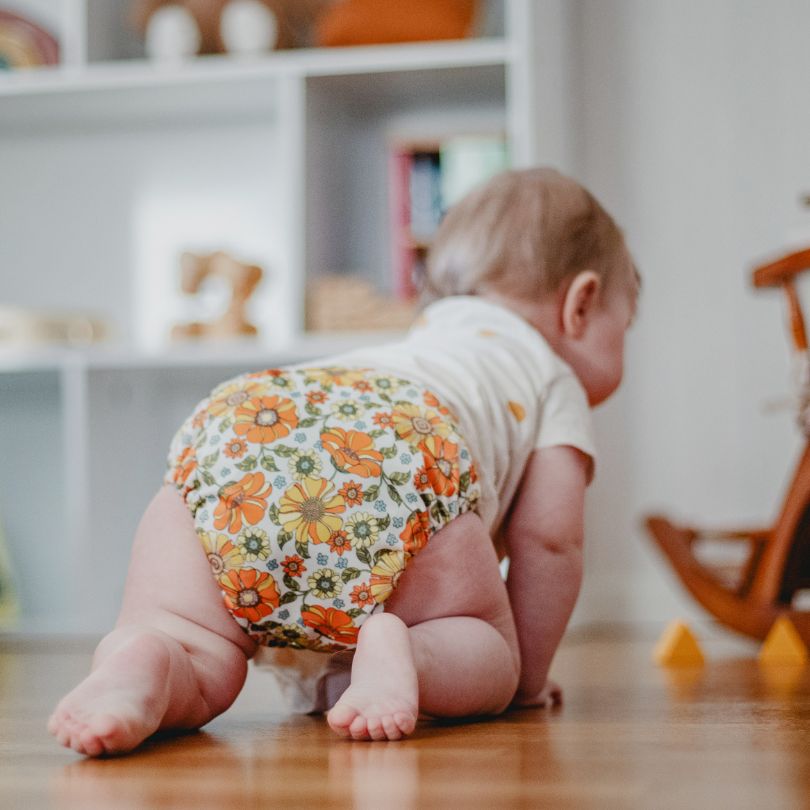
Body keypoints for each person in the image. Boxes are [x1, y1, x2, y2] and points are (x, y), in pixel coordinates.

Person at [48, 167, 639, 754]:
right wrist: (525, 680)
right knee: (487, 653)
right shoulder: (548, 374)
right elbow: (549, 540)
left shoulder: (415, 343)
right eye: (626, 325)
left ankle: (146, 658)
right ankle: (406, 650)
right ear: (580, 305)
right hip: (395, 454)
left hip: (242, 432)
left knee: (194, 645)